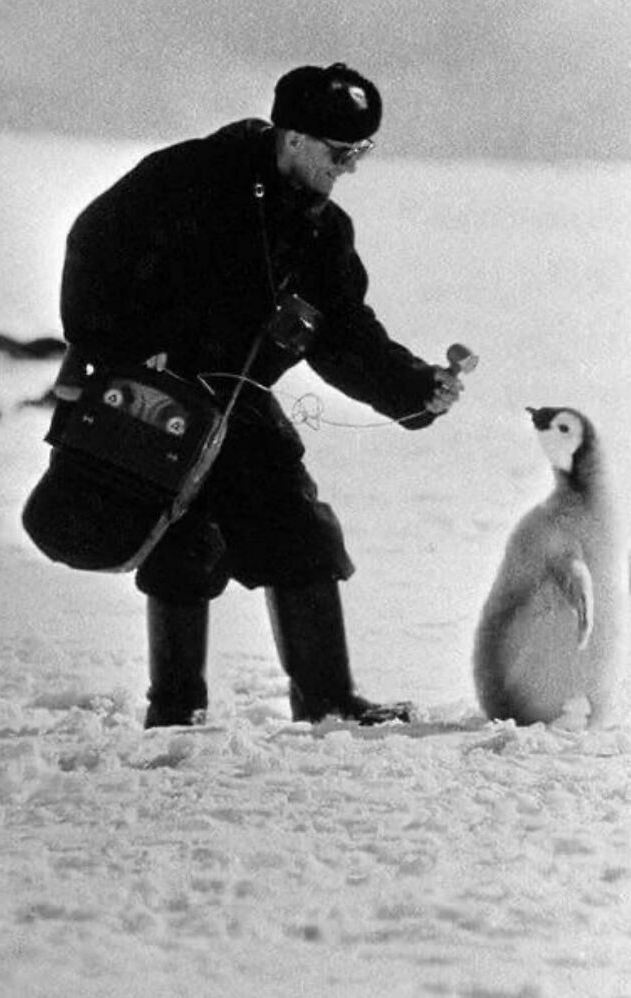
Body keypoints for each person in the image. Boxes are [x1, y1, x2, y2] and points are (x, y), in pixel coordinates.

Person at [58, 62, 463, 728]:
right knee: (184, 542)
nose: (351, 167)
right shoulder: (186, 177)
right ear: (295, 137)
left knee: (300, 529)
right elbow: (90, 246)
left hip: (233, 400)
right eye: (341, 152)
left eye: (361, 152)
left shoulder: (321, 231)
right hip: (149, 395)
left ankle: (328, 703)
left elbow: (343, 334)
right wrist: (118, 353)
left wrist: (413, 389)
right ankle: (175, 709)